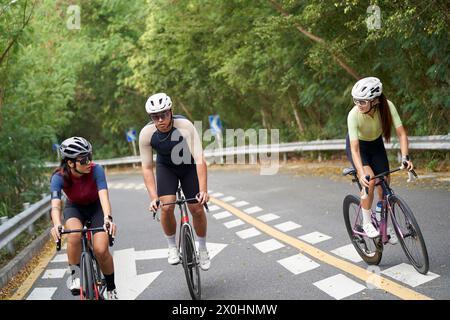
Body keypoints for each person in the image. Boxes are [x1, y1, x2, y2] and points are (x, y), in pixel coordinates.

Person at [138, 92, 211, 271]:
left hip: (188, 166)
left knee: (196, 208)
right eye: (155, 117)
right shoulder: (146, 134)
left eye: (164, 114)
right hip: (166, 167)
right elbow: (147, 167)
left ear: (171, 112)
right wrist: (153, 197)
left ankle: (202, 248)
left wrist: (203, 190)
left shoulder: (184, 125)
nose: (160, 119)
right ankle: (172, 247)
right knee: (167, 206)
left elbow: (200, 159)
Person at [49, 136, 118, 299]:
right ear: (70, 163)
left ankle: (111, 287)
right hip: (75, 208)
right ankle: (75, 274)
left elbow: (104, 197)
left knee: (101, 249)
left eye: (90, 157)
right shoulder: (58, 177)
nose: (89, 162)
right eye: (84, 159)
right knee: (73, 234)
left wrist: (108, 218)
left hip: (96, 208)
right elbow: (55, 206)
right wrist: (57, 224)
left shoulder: (96, 169)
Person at [346, 77, 414, 241]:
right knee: (369, 181)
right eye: (356, 100)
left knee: (384, 189)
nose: (358, 104)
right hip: (358, 147)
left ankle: (383, 226)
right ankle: (367, 222)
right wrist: (361, 173)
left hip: (376, 146)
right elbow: (354, 149)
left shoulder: (387, 106)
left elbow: (402, 133)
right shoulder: (354, 114)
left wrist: (405, 158)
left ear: (375, 100)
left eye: (362, 101)